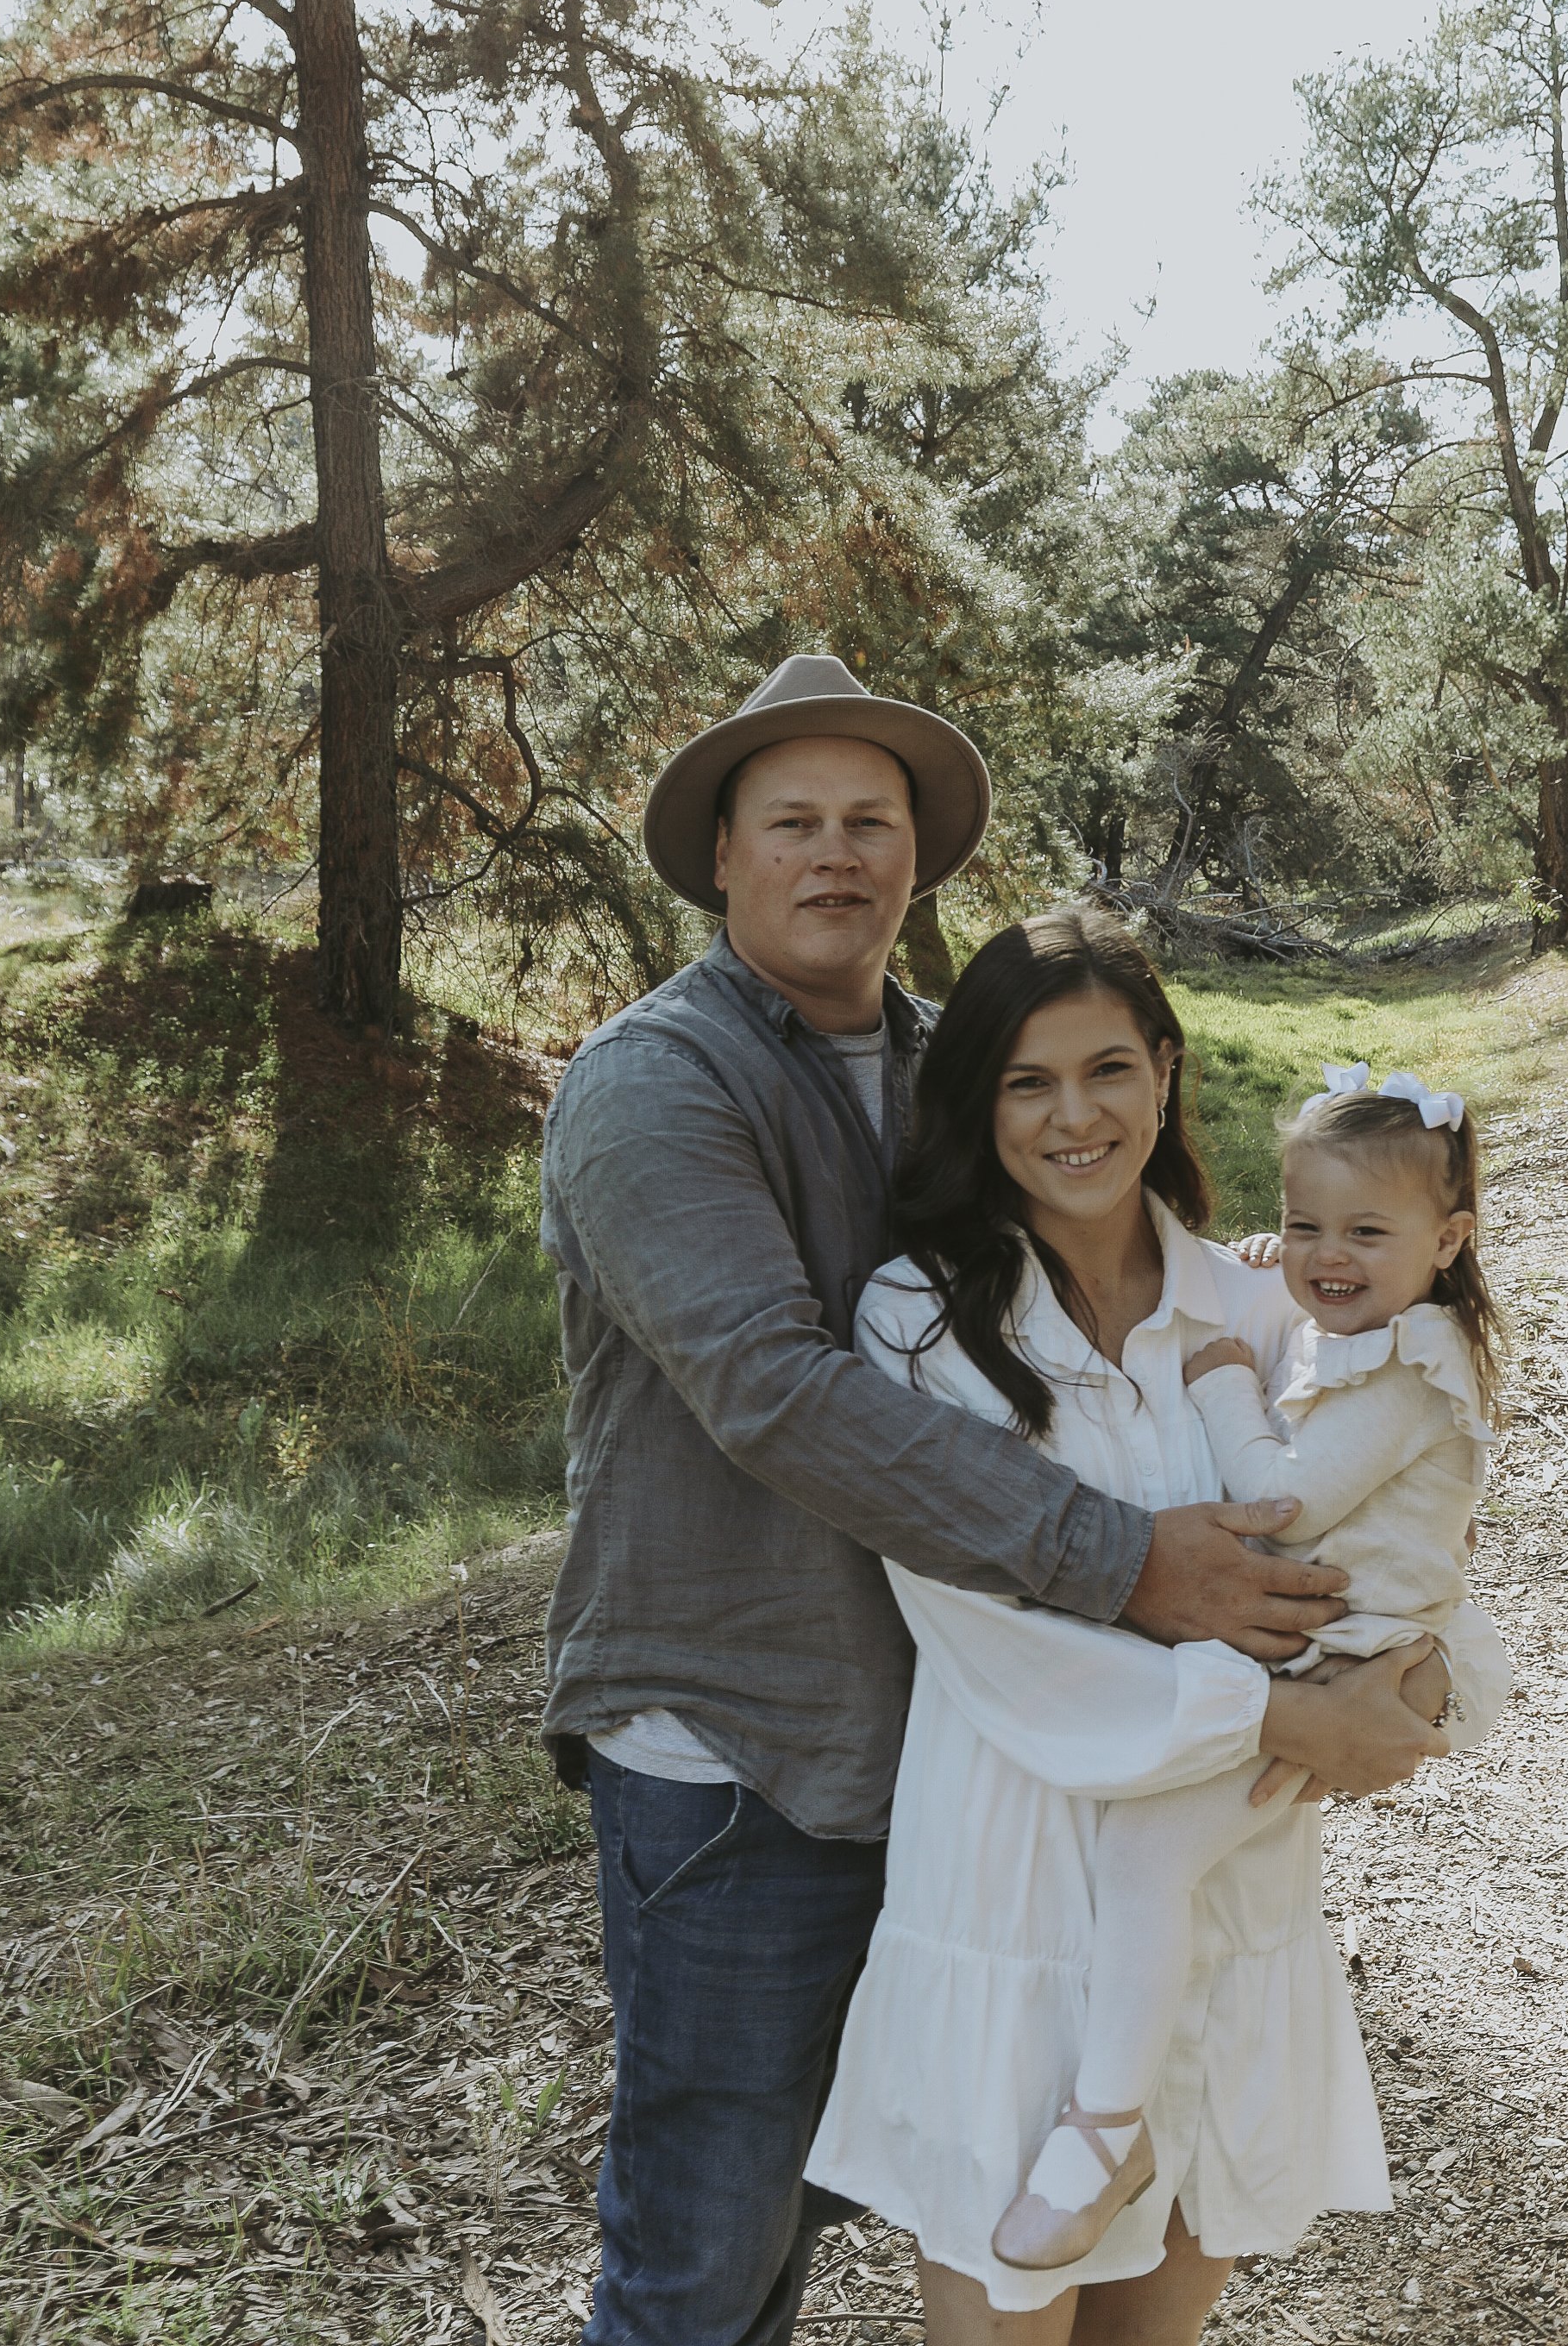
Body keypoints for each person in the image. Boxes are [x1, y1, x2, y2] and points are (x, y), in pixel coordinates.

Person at [539, 656, 1443, 2346]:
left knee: (903, 2192)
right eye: (792, 822)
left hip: (966, 1752)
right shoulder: (657, 1082)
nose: (835, 853)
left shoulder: (941, 1061)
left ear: (918, 857)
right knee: (710, 2248)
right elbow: (771, 1387)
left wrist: (1286, 1292)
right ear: (721, 856)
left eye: (868, 821)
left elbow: (1112, 1265)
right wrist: (1134, 1569)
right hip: (741, 1746)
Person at [805, 908, 1514, 2343]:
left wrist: (1427, 1683)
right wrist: (1282, 1714)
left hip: (1227, 1901)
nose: (1076, 1116)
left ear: (1167, 1072)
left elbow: (1402, 1546)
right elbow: (980, 1625)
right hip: (1012, 1876)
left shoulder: (1270, 1304)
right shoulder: (917, 1322)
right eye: (1029, 1081)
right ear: (978, 1101)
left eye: (1109, 1069)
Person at [993, 1058, 1506, 2272]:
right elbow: (1318, 1351)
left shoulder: (1413, 1367)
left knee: (1146, 1853)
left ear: (1448, 1240)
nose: (1329, 1255)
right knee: (1159, 1856)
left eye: (1367, 1232)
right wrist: (1282, 1286)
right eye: (1305, 1223)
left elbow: (1283, 1501)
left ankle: (1108, 2129)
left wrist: (1223, 1378)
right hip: (1338, 1649)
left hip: (1357, 1663)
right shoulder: (1376, 1332)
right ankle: (1130, 2117)